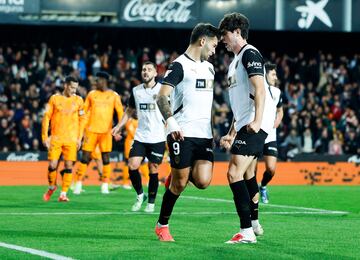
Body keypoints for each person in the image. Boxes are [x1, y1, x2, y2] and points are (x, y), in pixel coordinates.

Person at [154, 23, 220, 242]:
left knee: (203, 182)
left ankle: (175, 174)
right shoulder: (179, 65)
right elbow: (162, 96)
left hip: (205, 135)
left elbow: (208, 104)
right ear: (202, 41)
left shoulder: (210, 68)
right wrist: (170, 122)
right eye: (213, 45)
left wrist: (212, 131)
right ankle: (162, 225)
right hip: (181, 132)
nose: (214, 50)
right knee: (180, 184)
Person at [219, 13, 273, 244]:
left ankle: (246, 232)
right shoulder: (235, 60)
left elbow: (259, 89)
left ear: (237, 32)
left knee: (233, 173)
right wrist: (232, 132)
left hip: (255, 123)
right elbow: (241, 102)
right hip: (245, 122)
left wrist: (257, 121)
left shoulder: (250, 53)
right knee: (248, 174)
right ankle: (254, 224)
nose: (222, 39)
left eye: (225, 34)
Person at [112, 61, 166, 213]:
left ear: (155, 73)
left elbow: (171, 109)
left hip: (157, 137)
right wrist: (118, 126)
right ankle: (140, 195)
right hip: (141, 136)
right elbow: (129, 111)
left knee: (153, 168)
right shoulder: (136, 91)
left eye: (149, 70)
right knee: (132, 165)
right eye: (144, 70)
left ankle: (151, 203)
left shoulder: (163, 90)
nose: (145, 72)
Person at [73, 71, 124, 194]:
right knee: (85, 158)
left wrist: (118, 129)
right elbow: (84, 112)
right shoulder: (91, 94)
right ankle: (78, 184)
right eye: (96, 80)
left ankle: (105, 185)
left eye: (99, 80)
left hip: (106, 132)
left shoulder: (113, 95)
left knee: (106, 158)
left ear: (105, 81)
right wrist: (80, 129)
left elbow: (121, 113)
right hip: (91, 131)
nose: (97, 82)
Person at [42, 76, 85, 202]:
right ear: (65, 85)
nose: (74, 90)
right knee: (52, 165)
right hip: (56, 138)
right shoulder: (54, 99)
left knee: (68, 165)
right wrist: (45, 136)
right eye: (72, 87)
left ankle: (63, 193)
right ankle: (52, 187)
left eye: (75, 88)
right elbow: (46, 117)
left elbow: (82, 120)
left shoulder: (79, 100)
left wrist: (79, 138)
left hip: (71, 139)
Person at [258, 63, 283, 204]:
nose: (276, 77)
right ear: (265, 74)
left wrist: (277, 121)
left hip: (270, 135)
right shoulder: (258, 89)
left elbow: (280, 110)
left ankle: (263, 186)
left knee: (271, 169)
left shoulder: (277, 92)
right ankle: (251, 193)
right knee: (250, 169)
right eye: (273, 74)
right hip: (256, 133)